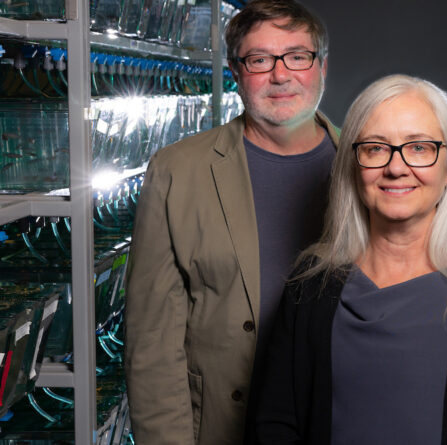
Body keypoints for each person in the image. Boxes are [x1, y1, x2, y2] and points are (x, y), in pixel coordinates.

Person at [252, 74, 447, 445]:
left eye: (419, 148)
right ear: (353, 167)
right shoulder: (310, 286)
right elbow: (275, 426)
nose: (395, 167)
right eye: (375, 148)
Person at [123, 1, 338, 444]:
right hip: (223, 425)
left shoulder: (369, 165)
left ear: (322, 67)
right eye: (260, 60)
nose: (281, 75)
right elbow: (152, 341)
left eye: (297, 56)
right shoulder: (177, 170)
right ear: (237, 73)